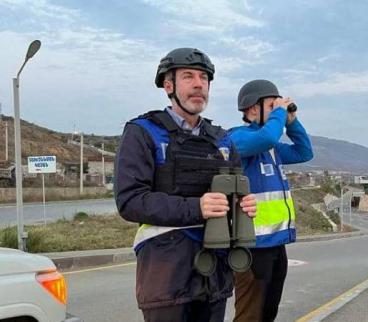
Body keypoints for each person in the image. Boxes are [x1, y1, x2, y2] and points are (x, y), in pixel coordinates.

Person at [114, 48, 256, 322]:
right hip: (166, 274)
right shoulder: (143, 132)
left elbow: (235, 197)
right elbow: (130, 200)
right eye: (188, 76)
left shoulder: (222, 141)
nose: (198, 84)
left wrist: (244, 206)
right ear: (169, 85)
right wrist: (197, 207)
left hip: (215, 273)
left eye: (204, 78)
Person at [229, 79, 313, 322]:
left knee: (268, 312)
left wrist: (292, 122)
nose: (279, 107)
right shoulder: (237, 138)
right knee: (250, 314)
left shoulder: (272, 147)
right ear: (252, 109)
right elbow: (265, 138)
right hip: (252, 245)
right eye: (272, 103)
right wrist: (279, 114)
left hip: (276, 243)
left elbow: (304, 152)